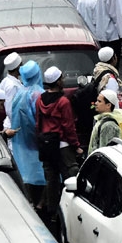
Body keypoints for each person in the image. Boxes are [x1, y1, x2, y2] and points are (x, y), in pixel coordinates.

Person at [36, 66, 82, 224]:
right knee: (71, 177)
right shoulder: (63, 102)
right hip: (62, 146)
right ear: (57, 81)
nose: (63, 80)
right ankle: (71, 210)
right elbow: (68, 126)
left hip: (46, 144)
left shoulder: (40, 100)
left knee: (51, 179)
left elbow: (38, 123)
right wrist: (76, 145)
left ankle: (51, 212)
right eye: (61, 78)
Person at [8, 60, 45, 209]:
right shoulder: (39, 95)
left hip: (22, 140)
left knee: (26, 168)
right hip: (36, 140)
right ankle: (42, 202)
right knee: (42, 169)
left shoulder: (19, 94)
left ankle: (29, 198)